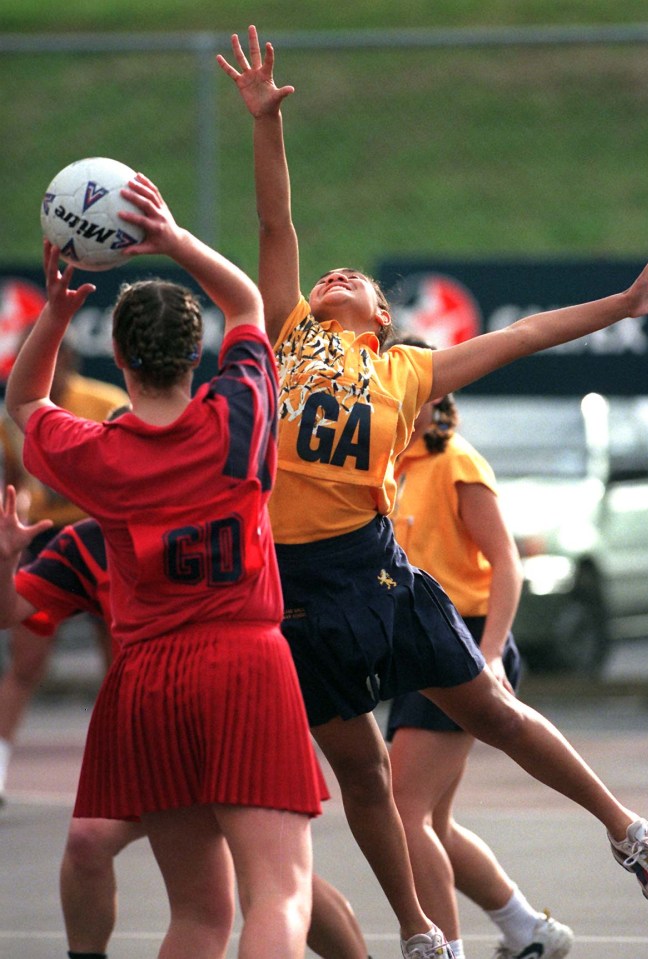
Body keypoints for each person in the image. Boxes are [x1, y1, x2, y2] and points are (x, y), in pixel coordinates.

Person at [217, 25, 648, 959]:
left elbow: (523, 337)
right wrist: (266, 126)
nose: (332, 275)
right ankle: (421, 930)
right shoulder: (285, 338)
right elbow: (277, 224)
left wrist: (621, 305)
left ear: (384, 317)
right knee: (362, 775)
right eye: (327, 276)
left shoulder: (406, 372)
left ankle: (626, 828)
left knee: (496, 712)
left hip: (374, 574)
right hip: (296, 591)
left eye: (350, 279)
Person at [4, 174, 327, 959]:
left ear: (115, 355)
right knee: (279, 896)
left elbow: (23, 403)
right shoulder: (237, 420)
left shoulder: (101, 455)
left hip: (148, 677)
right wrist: (176, 240)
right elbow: (249, 303)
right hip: (245, 663)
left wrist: (54, 313)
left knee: (198, 915)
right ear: (199, 354)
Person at [0, 486, 372, 959]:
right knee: (103, 848)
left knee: (268, 889)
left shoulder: (232, 507)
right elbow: (11, 610)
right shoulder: (91, 542)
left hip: (226, 706)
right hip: (166, 716)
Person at [384, 338, 572, 959]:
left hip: (462, 642)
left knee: (402, 813)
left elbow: (507, 566)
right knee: (432, 824)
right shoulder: (393, 464)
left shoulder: (455, 462)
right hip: (418, 646)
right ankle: (529, 931)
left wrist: (490, 656)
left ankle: (447, 950)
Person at [0, 339, 127, 803]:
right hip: (49, 539)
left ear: (67, 358)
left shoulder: (107, 403)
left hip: (108, 534)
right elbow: (16, 482)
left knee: (124, 662)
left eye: (51, 357)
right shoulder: (13, 418)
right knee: (25, 661)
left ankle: (126, 765)